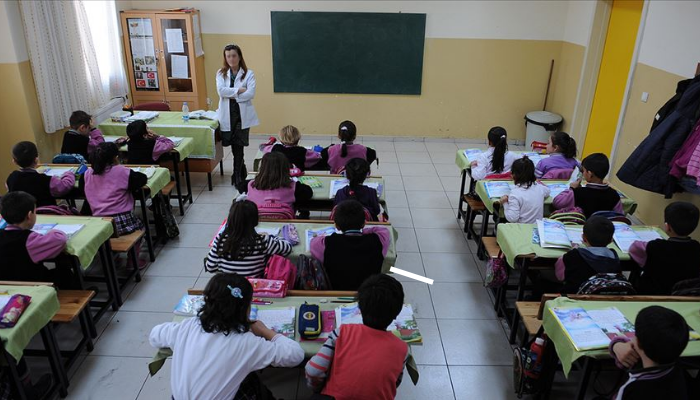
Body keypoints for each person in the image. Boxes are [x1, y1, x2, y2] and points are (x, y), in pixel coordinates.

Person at [150, 273, 304, 400]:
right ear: (245, 308)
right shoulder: (246, 343)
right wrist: (265, 331)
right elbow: (296, 355)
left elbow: (154, 335)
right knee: (251, 380)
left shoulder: (188, 326)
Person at [305, 274, 409, 400]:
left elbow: (313, 370)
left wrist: (318, 390)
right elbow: (395, 382)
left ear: (359, 307)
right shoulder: (403, 349)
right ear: (396, 314)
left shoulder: (343, 332)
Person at [609, 306, 697, 399]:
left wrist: (616, 344)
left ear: (638, 343)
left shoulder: (633, 389)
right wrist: (617, 345)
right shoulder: (676, 366)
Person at [310, 200, 390, 290]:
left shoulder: (327, 244)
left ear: (336, 226)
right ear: (364, 223)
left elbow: (313, 242)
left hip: (336, 292)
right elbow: (383, 230)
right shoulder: (378, 240)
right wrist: (364, 231)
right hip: (369, 291)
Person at [0, 191, 74, 288]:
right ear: (30, 215)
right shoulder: (29, 240)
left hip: (5, 286)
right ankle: (78, 294)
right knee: (65, 269)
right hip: (33, 285)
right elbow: (60, 240)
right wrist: (52, 231)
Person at [205, 199, 292, 277]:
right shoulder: (263, 241)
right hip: (255, 287)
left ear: (231, 219)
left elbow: (210, 267)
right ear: (255, 220)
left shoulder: (221, 240)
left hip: (230, 288)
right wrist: (272, 237)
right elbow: (287, 248)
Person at [630, 202, 700, 295]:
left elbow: (634, 248)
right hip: (684, 296)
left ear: (667, 226)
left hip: (651, 295)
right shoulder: (697, 247)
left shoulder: (654, 246)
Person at [216, 44, 260, 188]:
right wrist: (239, 91)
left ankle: (237, 177)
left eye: (234, 55)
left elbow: (250, 93)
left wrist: (233, 95)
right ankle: (241, 171)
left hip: (242, 116)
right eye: (228, 56)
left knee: (239, 147)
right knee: (232, 146)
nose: (231, 59)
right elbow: (221, 91)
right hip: (227, 116)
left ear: (239, 57)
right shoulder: (221, 73)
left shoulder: (249, 73)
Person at [81, 142, 147, 236]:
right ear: (115, 157)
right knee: (141, 227)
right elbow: (142, 179)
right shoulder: (121, 171)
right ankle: (135, 248)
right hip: (121, 220)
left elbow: (83, 190)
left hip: (98, 221)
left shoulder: (87, 173)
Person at [555, 217, 620, 294]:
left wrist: (573, 250)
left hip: (574, 298)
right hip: (604, 299)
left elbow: (559, 276)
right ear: (611, 240)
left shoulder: (573, 255)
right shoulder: (614, 257)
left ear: (583, 238)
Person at [553, 153, 623, 217]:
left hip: (581, 227)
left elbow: (557, 202)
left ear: (589, 174)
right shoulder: (614, 195)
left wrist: (572, 188)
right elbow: (619, 216)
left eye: (583, 171)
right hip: (603, 228)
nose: (583, 173)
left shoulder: (578, 193)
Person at [6, 141, 75, 207]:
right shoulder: (45, 180)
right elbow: (64, 186)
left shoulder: (11, 178)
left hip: (23, 214)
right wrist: (69, 174)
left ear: (14, 161)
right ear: (36, 160)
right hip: (46, 213)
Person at [240, 152, 313, 213]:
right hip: (286, 224)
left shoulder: (251, 185)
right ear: (286, 169)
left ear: (262, 168)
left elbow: (239, 186)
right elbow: (309, 192)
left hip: (258, 223)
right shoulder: (293, 186)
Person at [500, 157, 551, 223]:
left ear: (513, 175)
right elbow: (548, 191)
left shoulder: (515, 194)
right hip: (537, 228)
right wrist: (538, 182)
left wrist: (505, 203)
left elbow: (512, 218)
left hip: (521, 229)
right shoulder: (540, 188)